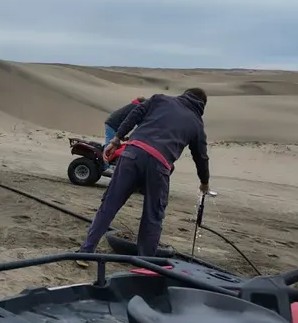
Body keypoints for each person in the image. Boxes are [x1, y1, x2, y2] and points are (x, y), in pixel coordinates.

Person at [78, 88, 210, 265]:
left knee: (109, 204)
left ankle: (86, 252)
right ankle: (144, 264)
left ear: (184, 95)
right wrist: (204, 182)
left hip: (131, 155)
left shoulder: (159, 99)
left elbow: (135, 114)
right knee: (152, 216)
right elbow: (201, 157)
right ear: (202, 106)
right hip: (159, 166)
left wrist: (116, 139)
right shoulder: (197, 124)